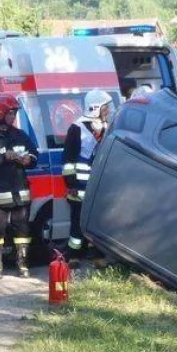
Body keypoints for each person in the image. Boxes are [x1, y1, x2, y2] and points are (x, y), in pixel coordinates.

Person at [0, 94, 39, 279]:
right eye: (11, 113)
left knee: (23, 230)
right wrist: (4, 157)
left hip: (20, 193)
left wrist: (29, 160)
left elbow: (34, 154)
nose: (13, 117)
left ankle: (23, 265)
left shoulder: (20, 135)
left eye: (15, 113)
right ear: (0, 113)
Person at [62, 89, 113, 269]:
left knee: (98, 221)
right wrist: (71, 184)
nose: (108, 110)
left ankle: (98, 256)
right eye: (105, 107)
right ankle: (74, 255)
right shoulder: (77, 128)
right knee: (77, 221)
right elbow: (68, 159)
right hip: (79, 186)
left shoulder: (108, 127)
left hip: (99, 185)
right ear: (95, 107)